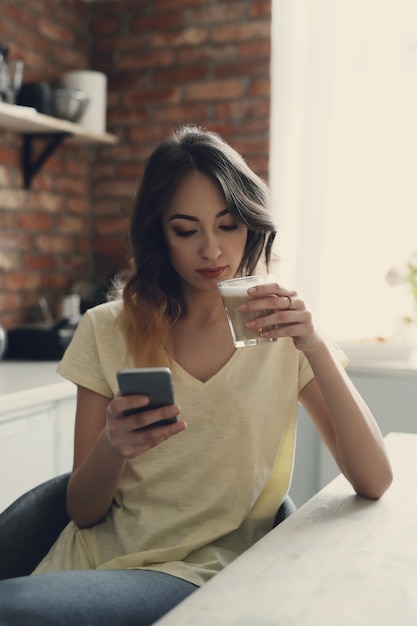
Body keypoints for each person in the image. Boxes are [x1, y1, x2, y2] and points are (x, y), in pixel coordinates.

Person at [0, 125, 393, 625]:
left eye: (228, 225)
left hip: (201, 573)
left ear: (251, 223)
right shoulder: (106, 329)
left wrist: (314, 345)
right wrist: (113, 446)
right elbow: (83, 510)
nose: (211, 250)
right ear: (158, 234)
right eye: (186, 230)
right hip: (89, 564)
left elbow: (375, 480)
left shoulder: (279, 331)